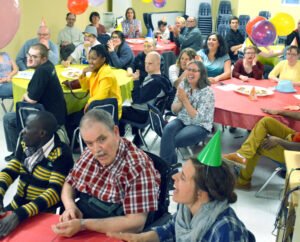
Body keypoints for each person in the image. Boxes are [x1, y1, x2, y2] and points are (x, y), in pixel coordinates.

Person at [108, 131, 252, 242]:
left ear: (201, 193)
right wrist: (143, 238)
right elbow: (173, 228)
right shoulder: (186, 207)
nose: (173, 177)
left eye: (183, 177)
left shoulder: (225, 230)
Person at [51, 109, 160, 237]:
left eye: (102, 139)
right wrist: (70, 207)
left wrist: (83, 224)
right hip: (85, 227)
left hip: (117, 234)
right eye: (89, 143)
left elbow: (136, 223)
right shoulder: (89, 154)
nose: (97, 150)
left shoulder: (137, 166)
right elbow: (69, 183)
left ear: (116, 132)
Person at [0, 111, 73, 238]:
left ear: (42, 133)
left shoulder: (61, 154)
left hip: (41, 212)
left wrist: (19, 214)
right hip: (17, 205)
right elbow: (12, 168)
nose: (22, 131)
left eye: (28, 127)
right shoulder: (25, 143)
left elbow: (54, 192)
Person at [3, 43, 67, 162]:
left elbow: (32, 99)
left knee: (8, 119)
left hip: (48, 119)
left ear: (44, 58)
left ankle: (18, 154)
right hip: (57, 115)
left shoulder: (41, 72)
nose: (30, 58)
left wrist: (24, 95)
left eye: (35, 56)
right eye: (29, 55)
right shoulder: (49, 66)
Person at [223, 108, 300, 190]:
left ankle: (243, 182)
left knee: (257, 145)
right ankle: (242, 155)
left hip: (295, 154)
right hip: (294, 137)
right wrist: (279, 111)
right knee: (266, 121)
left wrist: (279, 141)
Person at [160, 60, 214, 165]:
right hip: (182, 120)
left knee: (173, 140)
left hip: (200, 125)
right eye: (189, 70)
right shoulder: (183, 85)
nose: (190, 73)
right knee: (167, 130)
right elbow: (173, 110)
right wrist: (180, 102)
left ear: (201, 73)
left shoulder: (207, 92)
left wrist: (185, 100)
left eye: (194, 70)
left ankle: (167, 166)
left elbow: (198, 118)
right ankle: (167, 167)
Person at [65, 44, 122, 140]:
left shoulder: (106, 74)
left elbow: (101, 96)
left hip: (106, 111)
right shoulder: (96, 70)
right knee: (69, 117)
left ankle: (80, 144)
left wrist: (89, 103)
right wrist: (83, 73)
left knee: (71, 120)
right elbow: (85, 87)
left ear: (103, 59)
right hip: (96, 107)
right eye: (89, 58)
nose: (90, 61)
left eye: (94, 59)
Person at [119, 51, 172, 147]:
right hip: (146, 111)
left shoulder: (155, 83)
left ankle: (119, 141)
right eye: (146, 63)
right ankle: (136, 138)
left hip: (142, 114)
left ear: (158, 64)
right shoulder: (163, 78)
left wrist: (135, 81)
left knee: (115, 111)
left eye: (150, 63)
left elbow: (136, 99)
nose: (146, 66)